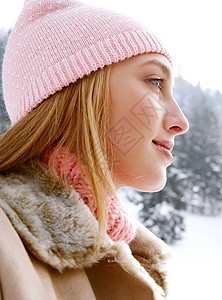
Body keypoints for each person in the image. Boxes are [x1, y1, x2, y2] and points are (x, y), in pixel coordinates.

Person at [0, 0, 189, 299]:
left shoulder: (129, 252)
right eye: (155, 81)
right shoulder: (5, 245)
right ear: (81, 94)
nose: (181, 122)